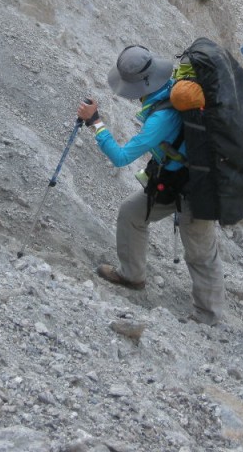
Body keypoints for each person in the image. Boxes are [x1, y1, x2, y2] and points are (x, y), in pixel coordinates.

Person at [77, 45, 225, 326]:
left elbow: (121, 157)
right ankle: (132, 276)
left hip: (197, 188)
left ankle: (209, 320)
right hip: (171, 180)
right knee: (132, 213)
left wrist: (96, 123)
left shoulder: (161, 117)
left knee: (200, 253)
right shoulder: (169, 90)